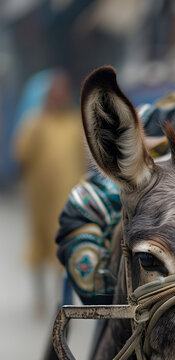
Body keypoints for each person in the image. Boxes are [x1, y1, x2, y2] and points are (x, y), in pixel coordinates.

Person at [13, 69, 87, 315]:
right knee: (39, 245)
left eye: (63, 92)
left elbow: (85, 157)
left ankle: (63, 298)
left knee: (66, 246)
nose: (59, 96)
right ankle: (40, 298)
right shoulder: (34, 122)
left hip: (67, 198)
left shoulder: (74, 123)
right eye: (55, 92)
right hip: (40, 199)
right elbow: (21, 153)